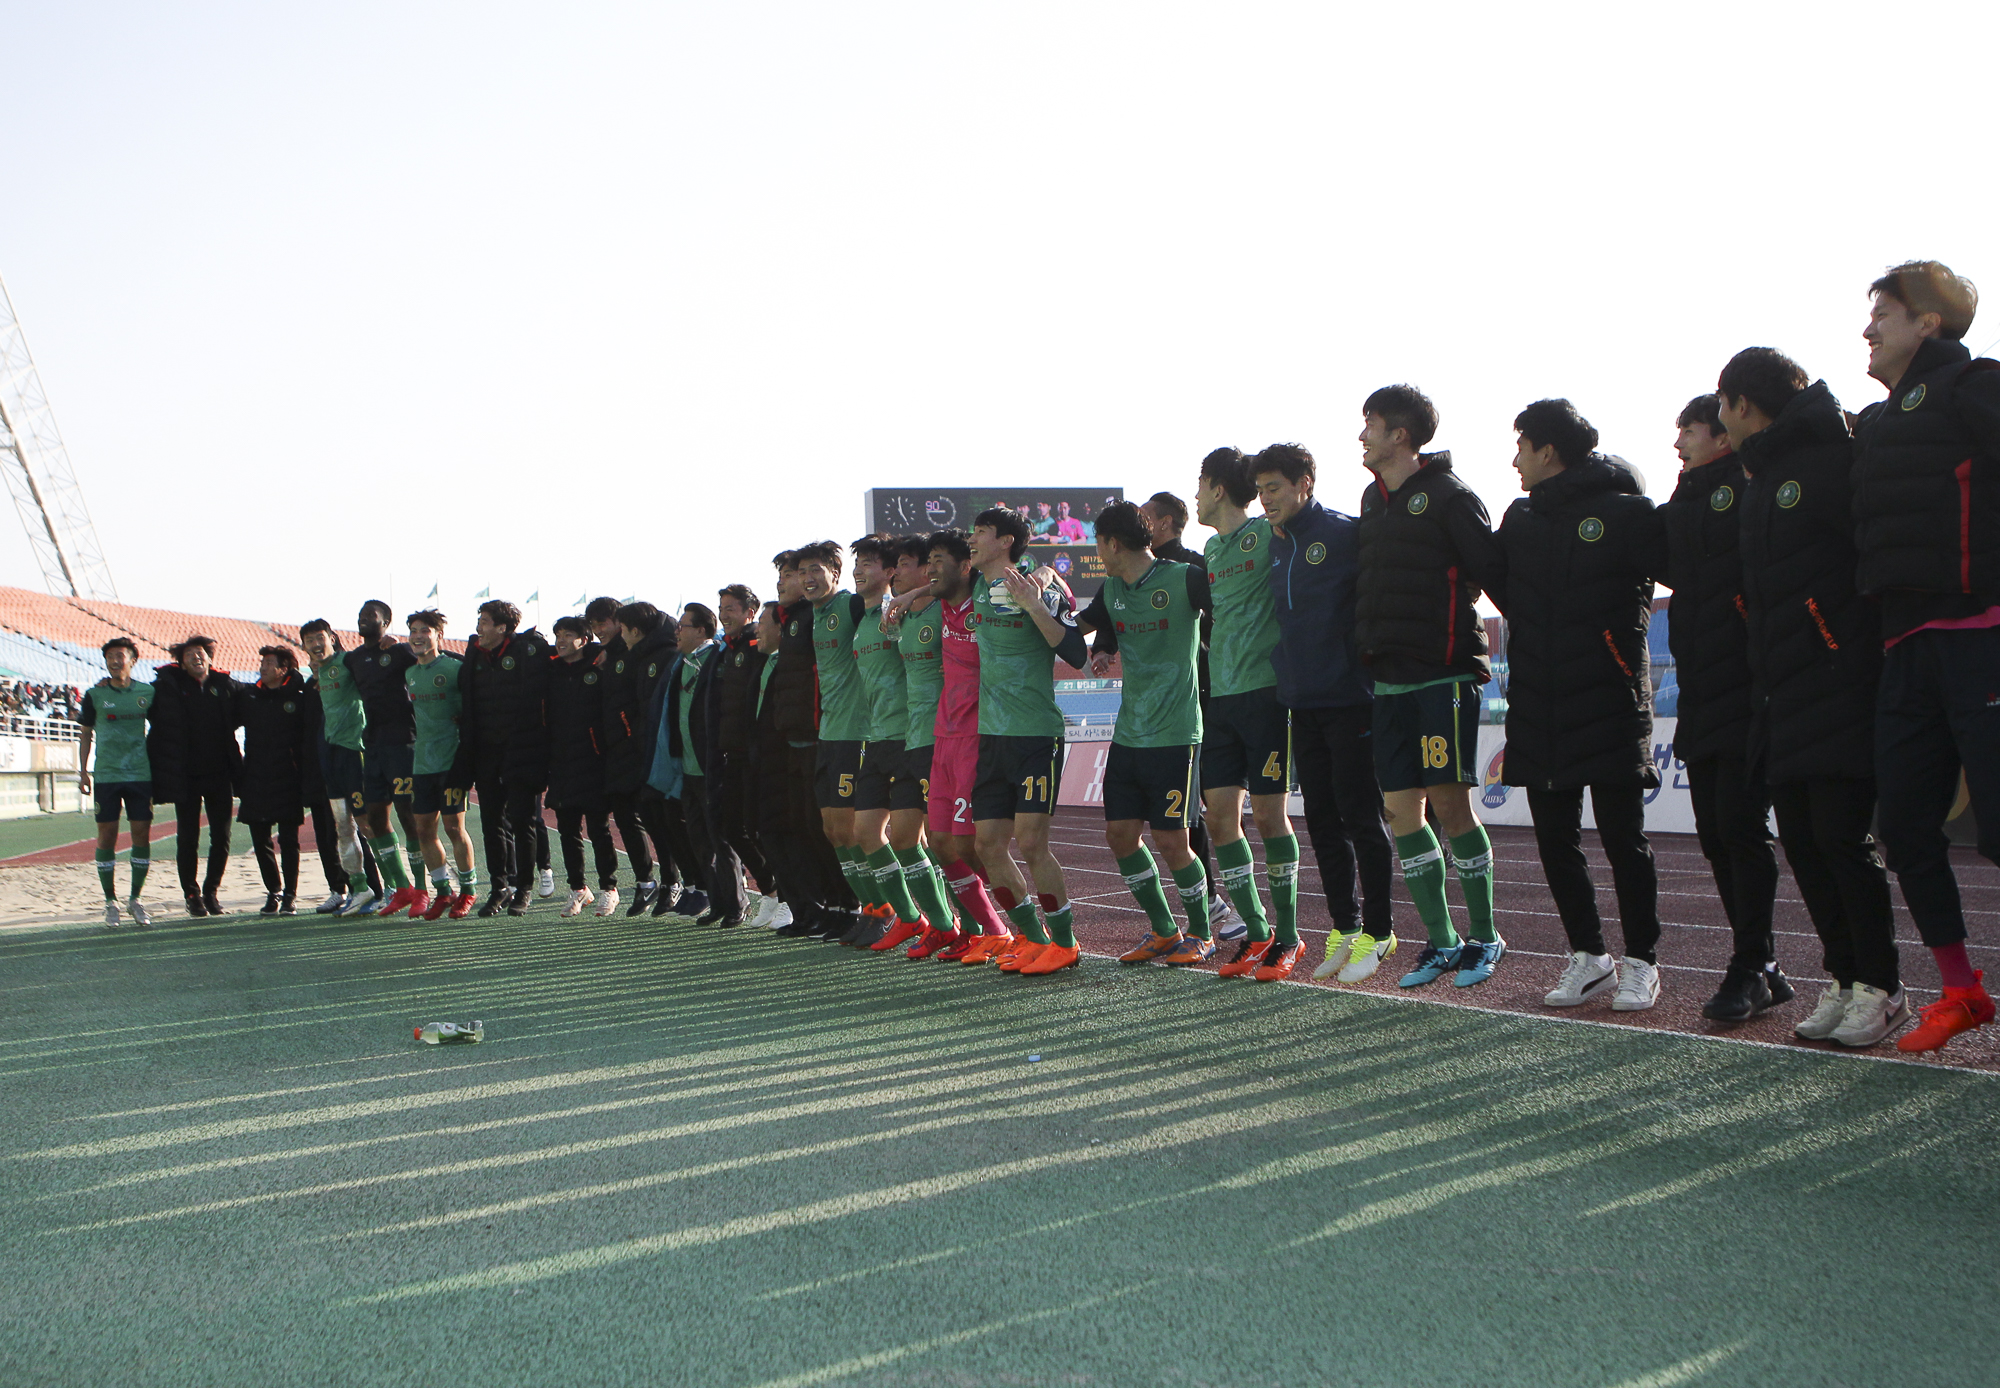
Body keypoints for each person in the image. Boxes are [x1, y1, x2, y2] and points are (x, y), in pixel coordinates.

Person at [1725, 347, 1904, 1047]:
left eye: (1723, 405)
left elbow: (1867, 558)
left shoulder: (1830, 458)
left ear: (1743, 406)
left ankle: (1882, 988)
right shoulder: (1765, 478)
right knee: (1801, 838)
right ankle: (1844, 977)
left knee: (1842, 836)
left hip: (1838, 679)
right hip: (1783, 688)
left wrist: (1844, 647)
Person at [1850, 261, 2000, 1053]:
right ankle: (1962, 990)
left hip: (1984, 633)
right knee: (1905, 829)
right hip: (1904, 650)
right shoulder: (1873, 426)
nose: (1868, 329)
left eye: (1884, 313)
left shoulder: (1977, 386)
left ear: (1928, 323)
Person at [1492, 400, 1666, 1011]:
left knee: (1624, 839)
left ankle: (1643, 960)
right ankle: (1589, 957)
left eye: (1521, 446)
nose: (1514, 459)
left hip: (1611, 702)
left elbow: (1683, 571)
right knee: (1554, 839)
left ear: (1547, 451)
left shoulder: (1626, 514)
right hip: (1541, 704)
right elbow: (1491, 576)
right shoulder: (1521, 519)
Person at [1353, 384, 1507, 988]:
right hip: (1387, 683)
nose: (1361, 435)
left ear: (1400, 435)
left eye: (1370, 424)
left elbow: (1490, 576)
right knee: (1400, 811)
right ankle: (1442, 942)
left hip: (1441, 677)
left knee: (1449, 806)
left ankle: (1486, 936)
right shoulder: (1372, 499)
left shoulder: (1450, 495)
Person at [1659, 394, 1789, 1021]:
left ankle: (1752, 963)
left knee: (1740, 825)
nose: (1678, 440)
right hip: (1702, 687)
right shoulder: (1684, 496)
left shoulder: (1746, 485)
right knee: (1715, 831)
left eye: (1688, 428)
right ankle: (1764, 964)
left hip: (1747, 682)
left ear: (1723, 434)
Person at [1248, 443, 1392, 984]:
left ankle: (1380, 931)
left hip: (1351, 698)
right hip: (1301, 703)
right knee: (1324, 824)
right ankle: (1345, 929)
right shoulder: (1277, 544)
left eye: (1275, 488)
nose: (1266, 500)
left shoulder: (1342, 533)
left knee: (1361, 817)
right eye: (1261, 490)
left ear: (1305, 483)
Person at [1075, 501, 1214, 966]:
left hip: (1175, 734)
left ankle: (1202, 932)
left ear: (1112, 543)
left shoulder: (1185, 577)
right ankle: (1163, 929)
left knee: (1175, 841)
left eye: (1097, 543)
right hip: (1129, 735)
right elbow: (1080, 628)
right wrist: (1038, 602)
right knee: (1119, 835)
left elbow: (1227, 614)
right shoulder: (1112, 587)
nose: (1097, 552)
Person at [968, 507, 1089, 974]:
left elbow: (1077, 652)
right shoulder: (976, 583)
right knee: (988, 845)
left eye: (980, 532)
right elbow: (936, 579)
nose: (971, 539)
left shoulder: (1045, 586)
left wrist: (1037, 601)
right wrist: (914, 589)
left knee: (1032, 843)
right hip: (991, 738)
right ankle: (1030, 938)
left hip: (1036, 734)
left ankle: (1065, 943)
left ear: (1005, 541)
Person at [1134, 489, 1239, 937]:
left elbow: (1225, 621)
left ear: (1162, 524)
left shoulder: (1194, 568)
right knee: (1186, 814)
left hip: (1202, 705)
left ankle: (1219, 907)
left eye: (1144, 519)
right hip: (1162, 710)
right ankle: (1209, 904)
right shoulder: (1136, 575)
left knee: (1203, 814)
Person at [864, 535, 966, 954]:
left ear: (929, 569)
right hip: (910, 740)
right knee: (905, 838)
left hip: (943, 738)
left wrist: (921, 592)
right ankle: (940, 924)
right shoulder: (901, 619)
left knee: (954, 844)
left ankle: (979, 928)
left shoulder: (947, 612)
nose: (897, 574)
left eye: (905, 565)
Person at [843, 535, 935, 948]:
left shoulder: (898, 614)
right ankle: (911, 917)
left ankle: (948, 922)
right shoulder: (861, 621)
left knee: (920, 839)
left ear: (891, 572)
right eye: (856, 563)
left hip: (909, 737)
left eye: (868, 563)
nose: (859, 570)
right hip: (875, 739)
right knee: (865, 833)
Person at [801, 539, 876, 940]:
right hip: (828, 734)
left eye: (817, 570)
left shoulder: (850, 605)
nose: (809, 579)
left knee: (853, 831)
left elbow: (889, 606)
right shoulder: (811, 615)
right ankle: (862, 907)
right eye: (803, 572)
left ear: (836, 571)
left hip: (857, 733)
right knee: (832, 831)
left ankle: (884, 909)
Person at [459, 598, 552, 917]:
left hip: (521, 752)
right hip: (485, 752)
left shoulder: (525, 651)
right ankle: (500, 886)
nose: (478, 627)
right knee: (491, 823)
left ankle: (524, 887)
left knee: (523, 822)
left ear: (502, 626)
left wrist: (538, 642)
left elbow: (550, 665)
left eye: (484, 621)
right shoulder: (474, 653)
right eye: (479, 620)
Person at [147, 634, 241, 917]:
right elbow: (139, 699)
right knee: (187, 837)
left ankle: (211, 891)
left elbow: (258, 695)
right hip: (184, 774)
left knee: (221, 836)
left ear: (210, 658)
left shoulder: (225, 686)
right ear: (181, 662)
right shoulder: (167, 687)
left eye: (201, 653)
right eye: (190, 654)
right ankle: (191, 894)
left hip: (219, 772)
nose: (196, 657)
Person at [594, 596, 674, 916]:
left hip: (643, 748)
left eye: (604, 623)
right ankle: (646, 881)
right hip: (619, 749)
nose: (598, 631)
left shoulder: (653, 655)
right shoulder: (613, 655)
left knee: (658, 818)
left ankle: (673, 881)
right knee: (626, 816)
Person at [345, 600, 425, 916]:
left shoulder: (401, 652)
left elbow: (432, 662)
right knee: (375, 817)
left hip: (403, 743)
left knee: (408, 815)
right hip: (373, 747)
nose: (364, 619)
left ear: (386, 621)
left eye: (371, 616)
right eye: (361, 615)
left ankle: (422, 889)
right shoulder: (353, 659)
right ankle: (402, 887)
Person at [705, 583, 777, 927]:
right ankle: (772, 889)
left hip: (756, 753)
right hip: (731, 752)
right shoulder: (726, 649)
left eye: (730, 608)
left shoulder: (756, 647)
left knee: (758, 826)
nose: (723, 615)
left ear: (750, 613)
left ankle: (785, 893)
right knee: (734, 826)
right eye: (721, 608)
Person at [299, 619, 382, 915]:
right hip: (330, 755)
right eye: (309, 640)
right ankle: (360, 889)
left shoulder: (348, 661)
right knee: (342, 825)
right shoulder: (314, 677)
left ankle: (392, 888)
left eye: (320, 637)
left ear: (332, 637)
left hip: (353, 751)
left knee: (368, 823)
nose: (316, 644)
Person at [77, 636, 154, 928]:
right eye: (110, 656)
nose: (115, 660)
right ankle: (110, 901)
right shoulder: (94, 695)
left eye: (120, 655)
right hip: (107, 775)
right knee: (107, 836)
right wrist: (83, 771)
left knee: (141, 836)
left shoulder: (147, 692)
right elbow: (85, 734)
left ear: (133, 660)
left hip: (140, 774)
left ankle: (135, 899)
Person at [405, 610, 477, 920]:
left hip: (451, 762)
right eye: (413, 631)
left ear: (438, 636)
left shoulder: (454, 669)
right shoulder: (409, 674)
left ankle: (469, 890)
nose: (417, 636)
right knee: (423, 829)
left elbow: (470, 712)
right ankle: (443, 892)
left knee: (453, 828)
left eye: (424, 630)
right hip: (422, 763)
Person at [651, 603, 718, 923]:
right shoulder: (681, 662)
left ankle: (734, 895)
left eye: (684, 626)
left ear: (702, 631)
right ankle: (700, 888)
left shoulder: (713, 659)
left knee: (718, 834)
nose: (677, 631)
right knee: (692, 832)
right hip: (684, 763)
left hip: (708, 764)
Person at [548, 614, 619, 918]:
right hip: (561, 761)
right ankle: (578, 888)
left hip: (593, 760)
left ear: (584, 638)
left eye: (567, 634)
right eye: (558, 635)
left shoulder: (599, 665)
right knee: (567, 829)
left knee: (598, 828)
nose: (561, 640)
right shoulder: (551, 671)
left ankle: (609, 889)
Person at [235, 645, 311, 915]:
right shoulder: (249, 696)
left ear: (283, 669)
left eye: (269, 663)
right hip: (255, 776)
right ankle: (274, 891)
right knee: (260, 839)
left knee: (289, 840)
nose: (263, 666)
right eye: (262, 662)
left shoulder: (299, 699)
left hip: (288, 776)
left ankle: (291, 894)